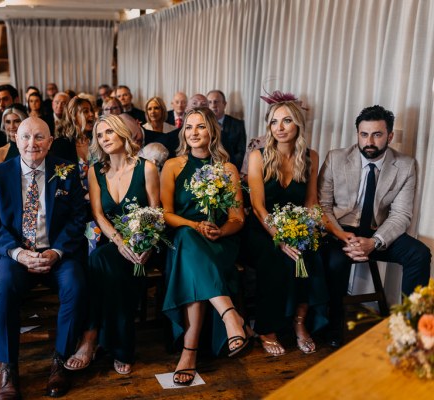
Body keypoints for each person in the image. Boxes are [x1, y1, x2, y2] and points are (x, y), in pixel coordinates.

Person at [0, 117, 88, 399]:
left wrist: (57, 251)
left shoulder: (66, 171)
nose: (32, 144)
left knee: (75, 285)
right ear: (16, 139)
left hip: (57, 253)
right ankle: (8, 369)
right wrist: (19, 254)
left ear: (50, 142)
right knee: (3, 288)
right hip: (15, 254)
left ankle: (60, 362)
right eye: (26, 137)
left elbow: (78, 218)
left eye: (40, 137)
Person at [318, 105, 431, 347]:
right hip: (340, 229)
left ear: (389, 136)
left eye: (377, 135)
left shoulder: (405, 165)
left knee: (419, 254)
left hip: (377, 231)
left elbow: (401, 214)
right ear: (357, 134)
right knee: (335, 262)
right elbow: (322, 206)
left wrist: (375, 242)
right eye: (364, 134)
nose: (369, 141)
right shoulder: (335, 158)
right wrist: (343, 236)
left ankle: (409, 327)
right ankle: (334, 325)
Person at [65, 114, 160, 375]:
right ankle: (121, 346)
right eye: (99, 135)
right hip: (113, 245)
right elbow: (98, 213)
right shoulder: (96, 172)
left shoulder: (147, 168)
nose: (104, 139)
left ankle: (90, 338)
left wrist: (146, 244)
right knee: (103, 260)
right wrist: (119, 242)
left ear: (122, 133)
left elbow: (155, 212)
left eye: (109, 132)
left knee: (101, 264)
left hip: (144, 246)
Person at [160, 107, 249, 386]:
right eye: (188, 127)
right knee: (187, 242)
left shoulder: (228, 169)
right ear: (183, 132)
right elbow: (166, 213)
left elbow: (237, 218)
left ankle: (189, 351)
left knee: (192, 263)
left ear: (212, 131)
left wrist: (219, 230)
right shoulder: (173, 165)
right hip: (185, 235)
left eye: (200, 127)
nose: (194, 132)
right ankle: (230, 314)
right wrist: (196, 225)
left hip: (219, 241)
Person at [247, 98, 328, 356]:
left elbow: (311, 202)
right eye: (274, 121)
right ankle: (266, 328)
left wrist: (312, 230)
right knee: (274, 257)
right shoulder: (258, 156)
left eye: (286, 120)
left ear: (298, 125)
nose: (279, 127)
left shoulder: (310, 157)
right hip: (261, 228)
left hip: (295, 224)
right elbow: (258, 207)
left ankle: (300, 322)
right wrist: (280, 239)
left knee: (310, 249)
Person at [51, 96, 95, 190]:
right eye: (85, 111)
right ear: (73, 116)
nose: (91, 114)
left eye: (91, 110)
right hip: (75, 201)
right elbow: (61, 179)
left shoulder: (97, 141)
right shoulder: (60, 145)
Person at [207, 90, 247, 171]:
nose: (213, 105)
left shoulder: (238, 125)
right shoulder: (203, 125)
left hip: (231, 168)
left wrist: (230, 168)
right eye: (210, 102)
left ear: (224, 104)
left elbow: (241, 151)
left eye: (216, 102)